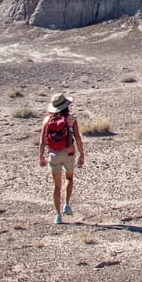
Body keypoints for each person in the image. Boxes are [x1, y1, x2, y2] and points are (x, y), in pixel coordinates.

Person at [39, 93, 85, 224]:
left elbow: (42, 142)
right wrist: (82, 154)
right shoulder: (71, 120)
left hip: (53, 155)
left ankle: (58, 216)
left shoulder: (47, 120)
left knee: (56, 185)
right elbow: (78, 138)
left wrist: (41, 156)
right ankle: (67, 204)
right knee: (69, 178)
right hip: (69, 154)